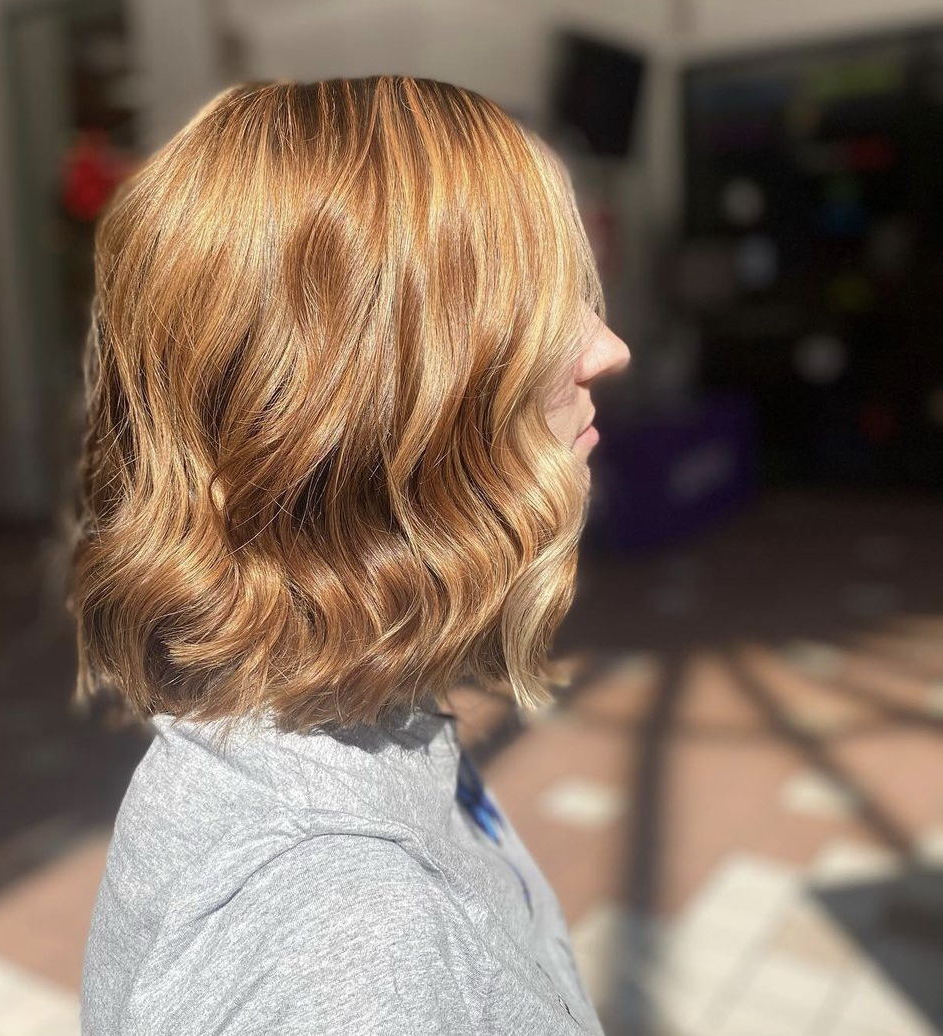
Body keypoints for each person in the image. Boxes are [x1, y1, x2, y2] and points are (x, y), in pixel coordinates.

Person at [70, 75, 631, 1036]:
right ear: (365, 398)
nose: (607, 349)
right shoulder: (346, 939)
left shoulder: (350, 723)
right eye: (538, 302)